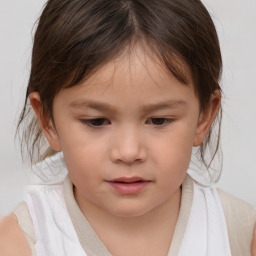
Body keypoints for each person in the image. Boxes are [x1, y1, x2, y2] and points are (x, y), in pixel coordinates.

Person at [0, 0, 255, 255]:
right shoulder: (21, 242)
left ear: (204, 116)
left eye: (159, 120)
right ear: (48, 120)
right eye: (96, 121)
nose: (129, 151)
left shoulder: (241, 233)